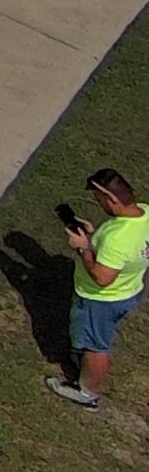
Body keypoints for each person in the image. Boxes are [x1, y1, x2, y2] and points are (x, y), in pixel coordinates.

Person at [59, 170, 145, 405]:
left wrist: (83, 248)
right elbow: (125, 252)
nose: (98, 204)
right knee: (98, 338)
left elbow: (101, 277)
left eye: (99, 199)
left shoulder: (119, 238)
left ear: (113, 199)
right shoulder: (145, 213)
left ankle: (87, 394)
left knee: (97, 346)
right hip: (130, 290)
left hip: (101, 299)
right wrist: (95, 236)